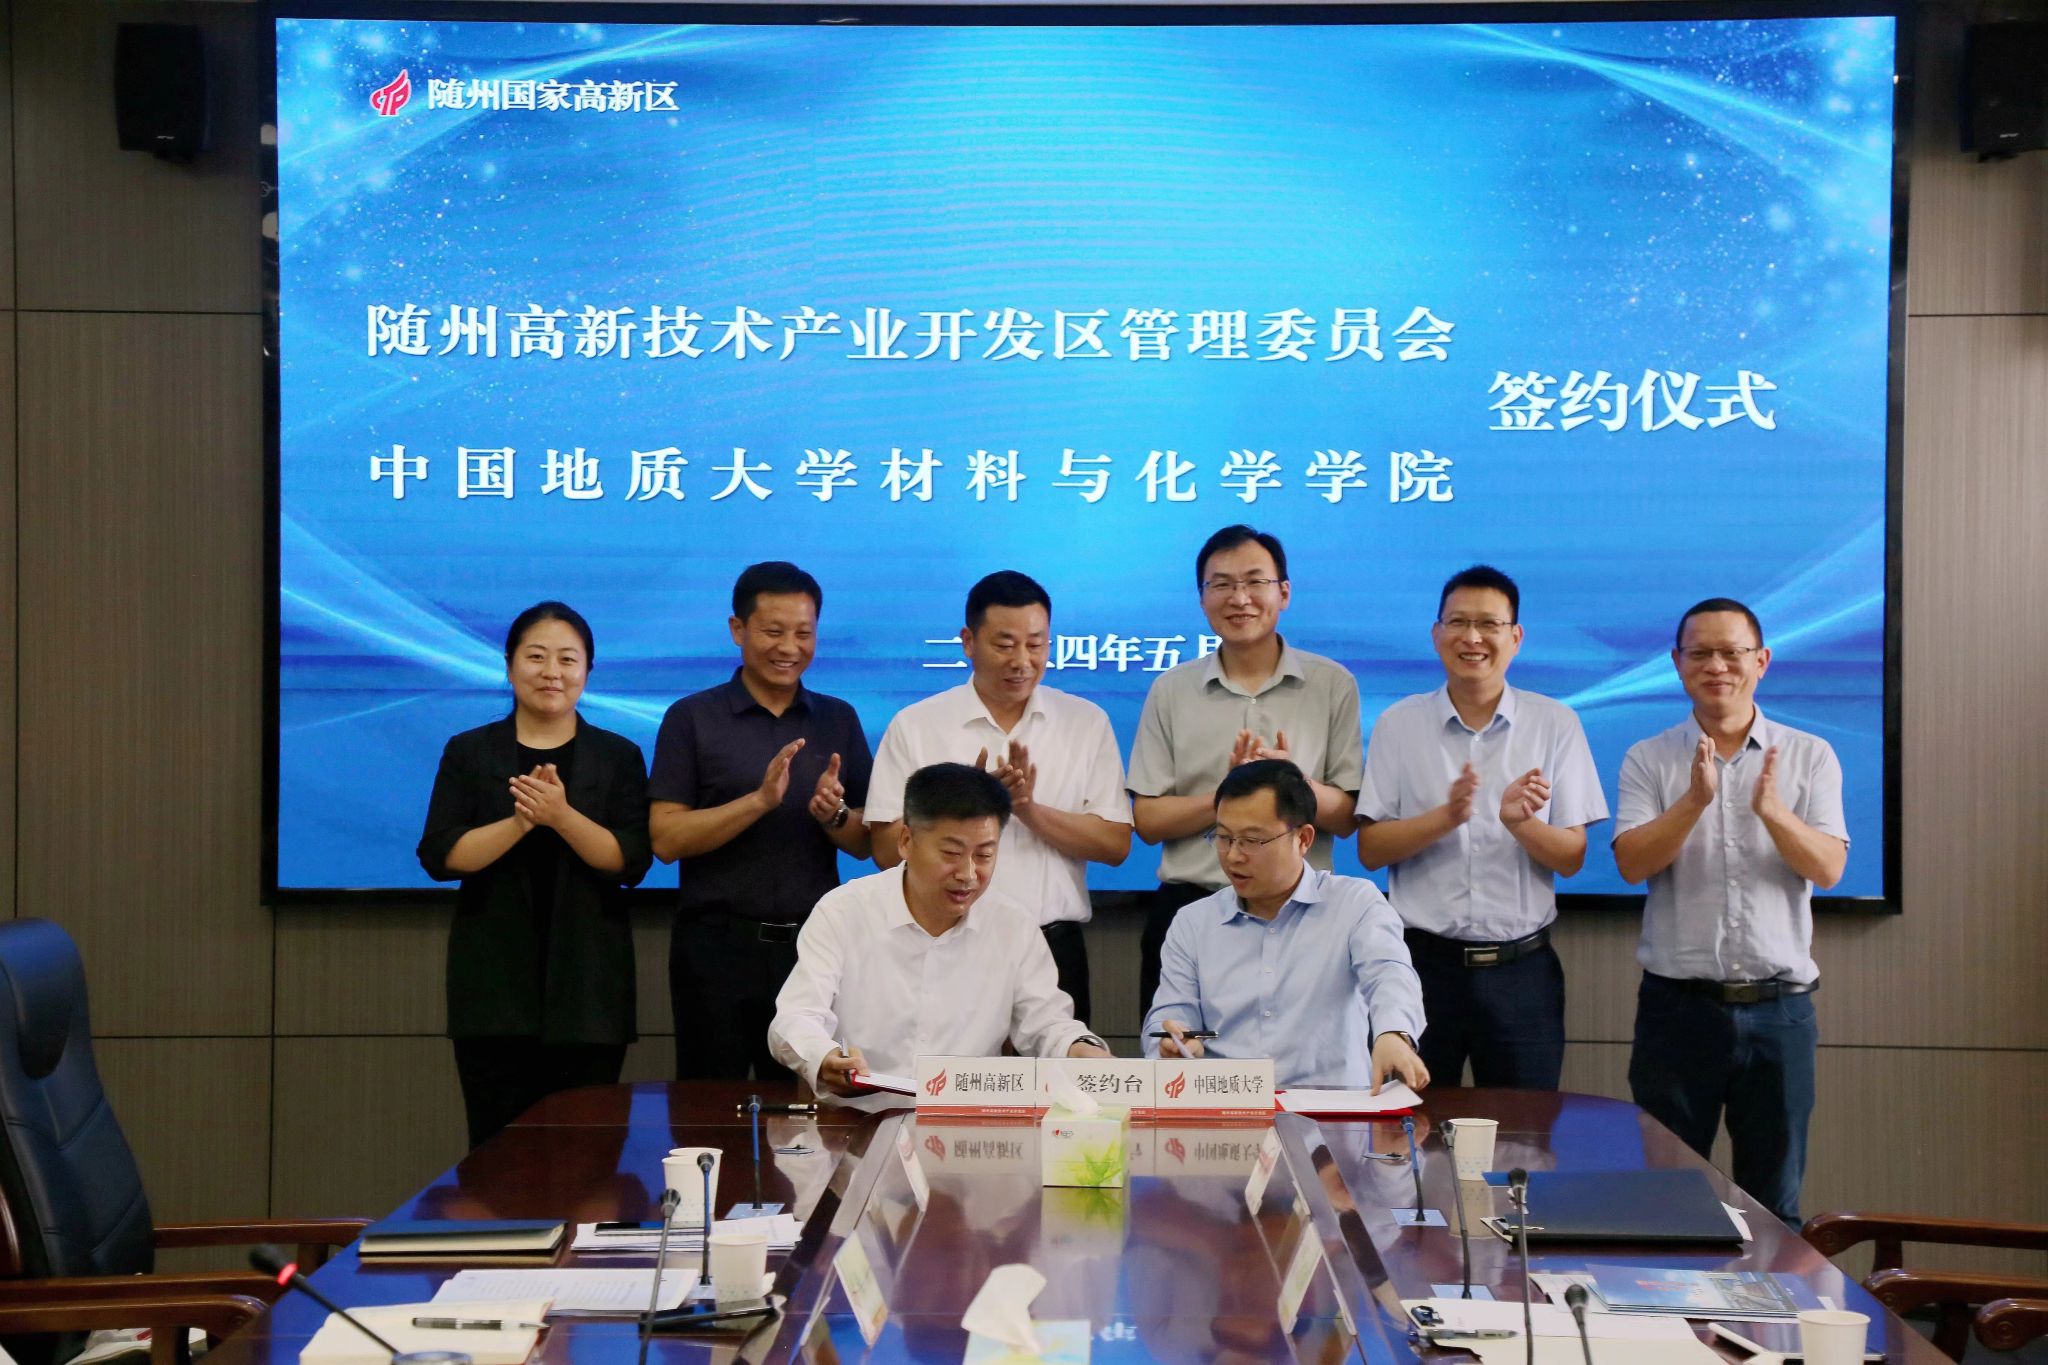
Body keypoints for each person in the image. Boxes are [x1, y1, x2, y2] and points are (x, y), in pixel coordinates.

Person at [1613, 598, 1847, 1224]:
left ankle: (1766, 1298)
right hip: (1677, 1011)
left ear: (1761, 660)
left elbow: (1828, 868)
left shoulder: (1810, 755)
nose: (1716, 666)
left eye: (1732, 652)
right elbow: (1632, 863)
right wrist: (1693, 802)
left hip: (1780, 1013)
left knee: (1775, 1208)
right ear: (1677, 663)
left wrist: (1773, 813)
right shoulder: (1649, 757)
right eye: (1700, 653)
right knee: (1665, 1205)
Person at [1356, 565, 1607, 1089]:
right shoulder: (1400, 723)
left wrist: (1520, 825)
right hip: (1420, 967)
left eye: (1489, 624)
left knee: (1525, 1130)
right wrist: (1445, 818)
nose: (1472, 637)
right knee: (1411, 1124)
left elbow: (1572, 856)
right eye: (1458, 622)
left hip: (1522, 973)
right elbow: (1371, 849)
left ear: (1515, 637)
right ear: (1436, 634)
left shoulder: (1555, 724)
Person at [418, 601, 653, 1148]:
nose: (552, 672)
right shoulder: (470, 751)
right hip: (493, 991)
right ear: (509, 665)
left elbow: (630, 860)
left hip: (589, 990)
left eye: (568, 659)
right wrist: (522, 821)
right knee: (497, 1154)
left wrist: (561, 816)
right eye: (536, 657)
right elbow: (441, 854)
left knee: (588, 1157)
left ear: (587, 670)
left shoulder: (617, 756)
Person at [864, 571, 1131, 1022]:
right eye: (1005, 644)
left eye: (1036, 644)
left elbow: (1115, 844)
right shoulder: (917, 725)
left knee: (1059, 1068)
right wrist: (964, 809)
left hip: (1053, 947)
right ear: (968, 641)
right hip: (944, 945)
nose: (1022, 661)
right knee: (947, 1068)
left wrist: (1026, 809)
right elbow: (886, 850)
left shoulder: (1085, 723)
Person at [649, 561, 873, 1081]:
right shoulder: (692, 717)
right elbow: (665, 838)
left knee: (806, 1107)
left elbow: (867, 843)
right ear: (738, 629)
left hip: (813, 950)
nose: (789, 647)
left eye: (804, 633)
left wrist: (835, 815)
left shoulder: (838, 718)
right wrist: (758, 801)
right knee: (708, 1105)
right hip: (715, 950)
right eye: (773, 631)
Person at [1127, 525, 1364, 1018]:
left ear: (1284, 592)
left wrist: (1293, 785)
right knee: (1179, 1056)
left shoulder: (1332, 685)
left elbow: (1347, 816)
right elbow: (1146, 821)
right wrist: (1225, 797)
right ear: (1202, 597)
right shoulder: (1171, 690)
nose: (1240, 598)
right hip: (1191, 910)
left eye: (1255, 581)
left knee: (1302, 1058)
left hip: (1302, 914)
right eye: (1222, 584)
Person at [768, 763, 1110, 1101]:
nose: (968, 874)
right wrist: (824, 1058)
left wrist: (1080, 1049)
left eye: (984, 855)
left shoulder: (1013, 926)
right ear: (906, 841)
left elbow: (1047, 1024)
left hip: (965, 1124)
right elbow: (796, 1018)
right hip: (856, 1118)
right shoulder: (843, 912)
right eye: (951, 853)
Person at [1143, 760, 1428, 1093]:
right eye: (1223, 837)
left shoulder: (1354, 904)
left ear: (1303, 839)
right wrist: (1173, 1043)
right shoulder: (1193, 923)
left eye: (1252, 840)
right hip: (1229, 1107)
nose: (1233, 856)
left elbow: (1390, 975)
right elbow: (1171, 1013)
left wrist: (1393, 1033)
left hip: (1332, 1109)